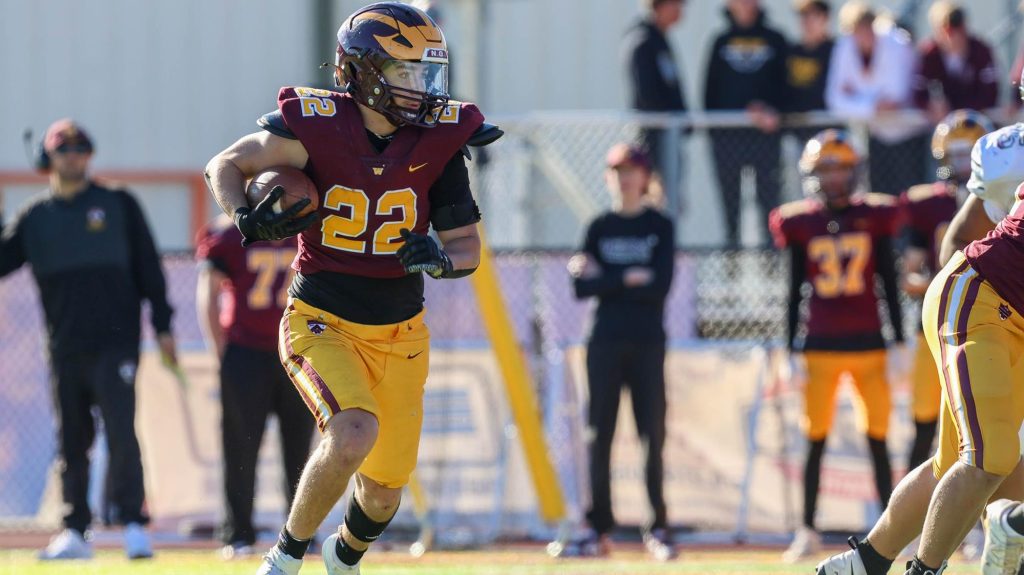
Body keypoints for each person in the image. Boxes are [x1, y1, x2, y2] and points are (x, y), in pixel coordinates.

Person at [203, 4, 500, 574]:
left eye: (426, 72)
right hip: (322, 319)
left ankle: (343, 560)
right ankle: (285, 558)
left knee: (385, 491)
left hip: (401, 333)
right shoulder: (315, 127)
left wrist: (439, 258)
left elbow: (467, 247)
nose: (422, 88)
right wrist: (243, 216)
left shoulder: (438, 140)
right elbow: (226, 165)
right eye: (406, 72)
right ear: (363, 72)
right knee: (352, 431)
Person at [813, 75, 1024, 575]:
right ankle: (925, 571)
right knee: (987, 457)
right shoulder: (1005, 152)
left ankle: (863, 563)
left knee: (958, 462)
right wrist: (956, 332)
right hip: (979, 299)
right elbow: (958, 243)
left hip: (1002, 310)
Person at [0, 119, 176, 560]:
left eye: (81, 149)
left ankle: (134, 525)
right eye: (64, 150)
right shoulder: (35, 218)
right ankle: (75, 530)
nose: (73, 157)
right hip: (64, 346)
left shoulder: (117, 204)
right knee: (71, 439)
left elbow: (149, 270)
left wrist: (164, 324)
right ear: (48, 158)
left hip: (117, 342)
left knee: (121, 432)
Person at [769, 130, 905, 563]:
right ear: (812, 174)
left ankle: (892, 528)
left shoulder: (875, 216)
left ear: (854, 171)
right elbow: (793, 290)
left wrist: (898, 340)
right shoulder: (800, 222)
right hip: (821, 344)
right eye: (825, 170)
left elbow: (886, 278)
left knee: (879, 439)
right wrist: (791, 347)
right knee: (815, 439)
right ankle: (807, 529)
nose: (832, 179)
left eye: (839, 168)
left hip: (868, 343)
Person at [561, 144, 675, 561]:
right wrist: (628, 276)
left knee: (651, 433)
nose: (625, 178)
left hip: (646, 341)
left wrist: (606, 277)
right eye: (617, 170)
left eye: (632, 170)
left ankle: (657, 527)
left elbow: (659, 286)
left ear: (645, 177)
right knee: (599, 434)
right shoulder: (599, 226)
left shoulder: (659, 225)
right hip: (604, 341)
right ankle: (598, 528)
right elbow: (579, 287)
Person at [195, 215, 314, 559]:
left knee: (299, 450)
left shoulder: (304, 226)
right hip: (254, 351)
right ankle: (238, 533)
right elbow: (209, 293)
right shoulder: (230, 233)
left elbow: (207, 295)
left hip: (292, 350)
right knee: (242, 448)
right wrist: (224, 352)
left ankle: (297, 534)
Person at [898, 110, 991, 474]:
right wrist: (938, 282)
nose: (963, 164)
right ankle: (911, 519)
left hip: (989, 320)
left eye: (969, 154)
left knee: (986, 422)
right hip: (937, 322)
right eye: (956, 154)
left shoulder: (1003, 199)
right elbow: (910, 272)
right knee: (924, 422)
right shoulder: (927, 202)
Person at [704, 0, 788, 247]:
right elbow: (709, 94)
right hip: (728, 141)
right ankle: (732, 262)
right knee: (731, 207)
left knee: (770, 204)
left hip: (766, 141)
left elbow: (787, 87)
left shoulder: (776, 40)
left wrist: (773, 113)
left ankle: (772, 265)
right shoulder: (720, 41)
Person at [826, 1, 923, 196]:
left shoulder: (897, 44)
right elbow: (834, 99)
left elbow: (896, 96)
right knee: (880, 199)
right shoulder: (844, 48)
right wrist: (871, 105)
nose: (865, 34)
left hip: (910, 136)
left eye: (868, 27)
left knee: (912, 200)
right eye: (858, 29)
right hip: (876, 136)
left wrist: (856, 95)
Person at [622, 0, 687, 216]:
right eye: (676, 4)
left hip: (668, 136)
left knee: (670, 201)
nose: (681, 10)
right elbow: (647, 96)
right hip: (652, 139)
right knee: (653, 199)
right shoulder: (642, 41)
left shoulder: (660, 40)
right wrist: (669, 119)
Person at [911, 2, 998, 124]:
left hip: (975, 123)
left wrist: (964, 111)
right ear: (938, 31)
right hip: (941, 125)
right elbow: (918, 92)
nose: (953, 38)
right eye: (948, 31)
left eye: (958, 29)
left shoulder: (981, 51)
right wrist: (931, 105)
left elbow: (990, 92)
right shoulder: (929, 54)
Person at [786, 0, 834, 119]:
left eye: (814, 16)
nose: (808, 22)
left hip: (827, 125)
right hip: (797, 127)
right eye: (804, 16)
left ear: (825, 19)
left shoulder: (837, 51)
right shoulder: (791, 52)